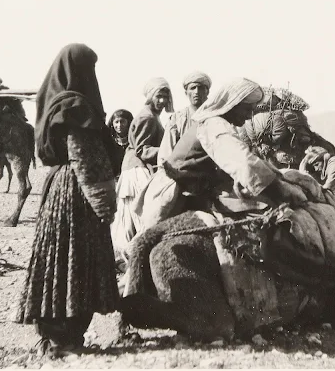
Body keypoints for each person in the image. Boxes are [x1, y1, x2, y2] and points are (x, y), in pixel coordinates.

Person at [14, 43, 120, 357]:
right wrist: (103, 201)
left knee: (57, 260)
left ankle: (53, 337)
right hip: (78, 192)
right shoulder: (75, 106)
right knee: (75, 258)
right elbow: (83, 155)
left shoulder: (51, 102)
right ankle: (65, 339)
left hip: (58, 189)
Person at [130, 78, 306, 234]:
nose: (248, 116)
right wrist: (280, 189)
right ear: (232, 104)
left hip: (193, 189)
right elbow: (244, 162)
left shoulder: (218, 123)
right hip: (173, 195)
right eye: (246, 109)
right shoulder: (215, 125)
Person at [110, 77, 173, 261]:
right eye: (159, 96)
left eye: (165, 96)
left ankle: (130, 256)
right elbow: (142, 150)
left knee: (132, 217)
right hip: (136, 170)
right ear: (150, 96)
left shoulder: (151, 115)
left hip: (135, 167)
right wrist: (169, 150)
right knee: (144, 216)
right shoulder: (147, 117)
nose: (162, 101)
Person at [157, 71, 211, 165]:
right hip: (183, 170)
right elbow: (167, 151)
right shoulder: (177, 119)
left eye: (201, 88)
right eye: (193, 88)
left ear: (207, 91)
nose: (196, 92)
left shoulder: (214, 116)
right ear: (186, 92)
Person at [107, 109, 134, 178]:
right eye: (116, 122)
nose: (119, 125)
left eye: (122, 122)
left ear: (128, 123)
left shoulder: (134, 141)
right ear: (112, 124)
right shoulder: (109, 141)